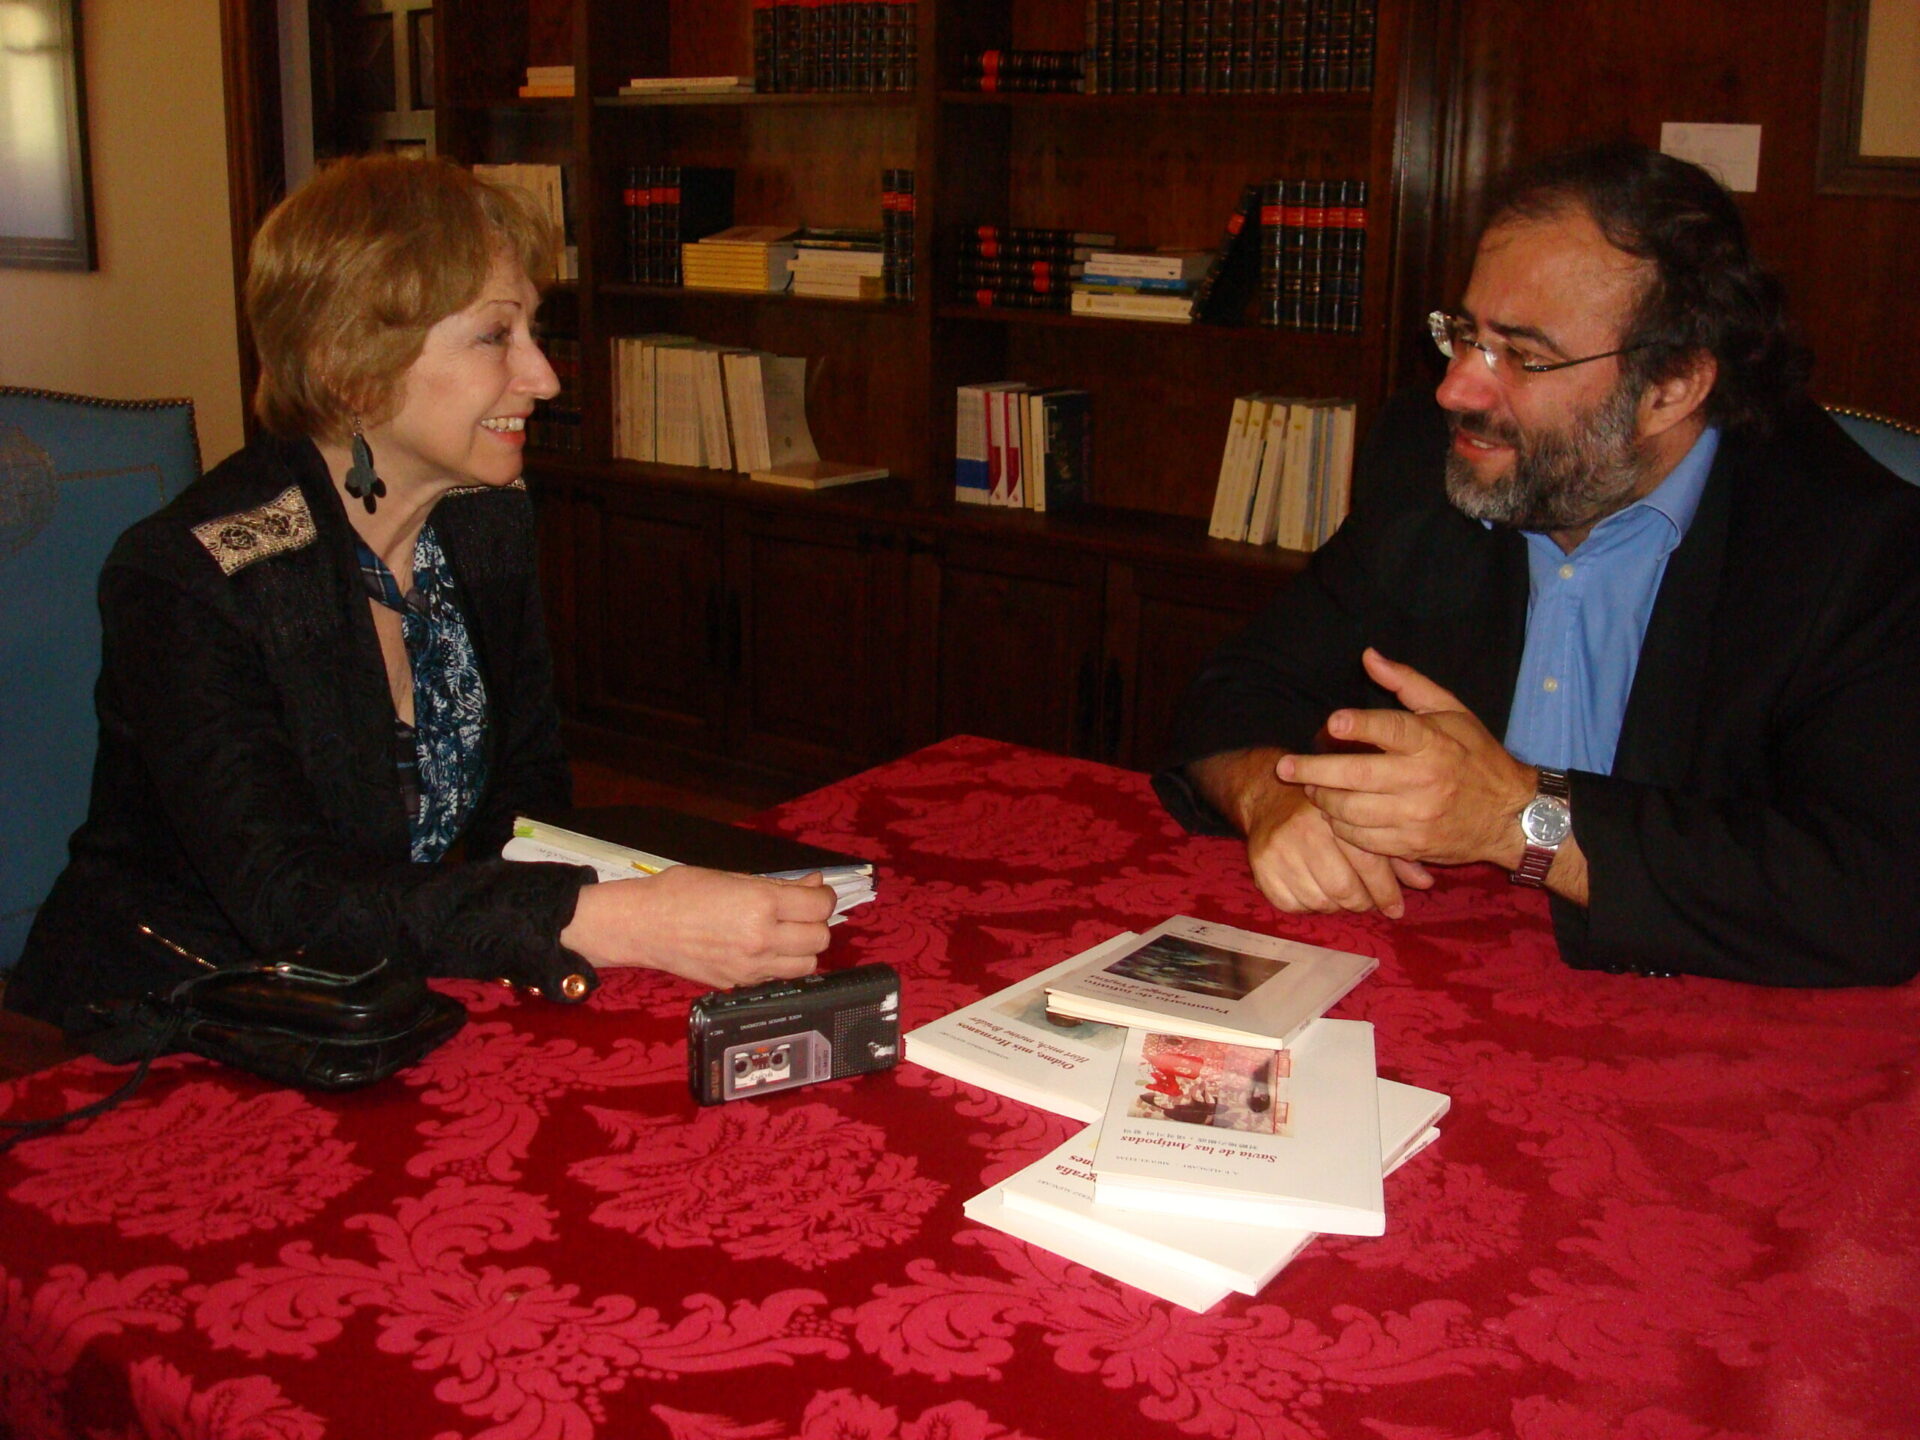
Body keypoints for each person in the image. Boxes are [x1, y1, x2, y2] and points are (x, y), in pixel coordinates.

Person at [4, 155, 833, 1032]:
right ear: (352, 368)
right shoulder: (190, 580)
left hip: (396, 998)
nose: (544, 377)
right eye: (494, 337)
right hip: (187, 1028)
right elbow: (292, 903)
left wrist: (618, 909)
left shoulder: (482, 518)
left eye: (533, 332)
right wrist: (616, 919)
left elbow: (527, 802)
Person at [1154, 142, 1920, 988]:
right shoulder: (1430, 461)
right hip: (1445, 980)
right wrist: (1273, 795)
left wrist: (1523, 822)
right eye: (1465, 336)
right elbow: (1237, 688)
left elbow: (1872, 892)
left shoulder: (1851, 544)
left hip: (1701, 1025)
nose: (1458, 390)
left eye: (1524, 355)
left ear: (1672, 387)